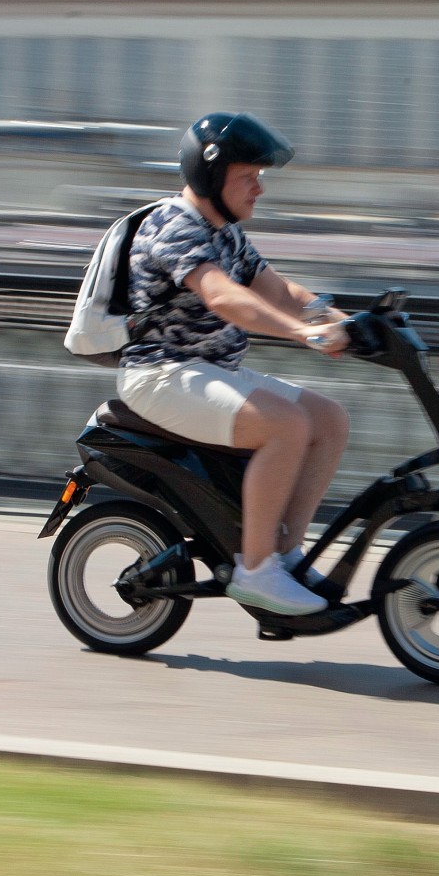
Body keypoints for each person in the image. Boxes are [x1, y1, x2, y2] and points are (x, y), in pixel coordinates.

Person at [117, 112, 350, 616]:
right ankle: (257, 571)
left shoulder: (225, 233)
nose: (259, 188)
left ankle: (285, 554)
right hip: (161, 373)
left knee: (329, 420)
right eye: (249, 176)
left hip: (208, 371)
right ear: (211, 175)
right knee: (286, 424)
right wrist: (303, 333)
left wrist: (345, 322)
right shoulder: (175, 225)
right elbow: (222, 296)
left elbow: (279, 292)